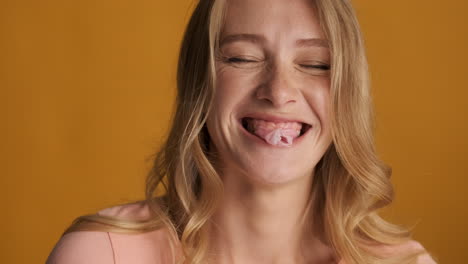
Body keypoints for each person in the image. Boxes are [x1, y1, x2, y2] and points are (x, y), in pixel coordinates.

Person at [46, 0, 437, 263]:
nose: (279, 91)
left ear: (349, 92)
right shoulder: (100, 255)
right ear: (199, 81)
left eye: (316, 64)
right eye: (242, 57)